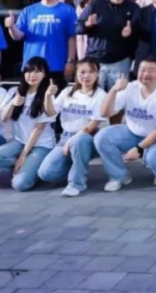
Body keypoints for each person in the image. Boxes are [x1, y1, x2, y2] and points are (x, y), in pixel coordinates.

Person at [95, 58, 156, 190]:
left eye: (151, 70)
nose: (146, 74)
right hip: (133, 132)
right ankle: (119, 176)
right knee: (102, 137)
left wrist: (139, 149)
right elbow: (105, 113)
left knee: (155, 159)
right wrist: (114, 90)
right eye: (142, 70)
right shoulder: (130, 87)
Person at [0, 57, 58, 192]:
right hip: (20, 142)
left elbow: (38, 128)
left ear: (44, 74)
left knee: (20, 185)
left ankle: (33, 169)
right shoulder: (14, 91)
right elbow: (4, 118)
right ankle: (26, 166)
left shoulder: (47, 95)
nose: (32, 75)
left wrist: (23, 155)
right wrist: (12, 103)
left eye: (37, 71)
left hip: (41, 145)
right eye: (29, 71)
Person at [37, 59, 107, 197]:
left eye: (91, 72)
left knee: (79, 142)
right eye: (82, 72)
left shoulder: (101, 95)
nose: (86, 76)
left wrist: (71, 141)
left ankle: (76, 183)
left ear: (97, 74)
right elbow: (51, 113)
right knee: (46, 174)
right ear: (76, 73)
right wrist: (48, 96)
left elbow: (91, 126)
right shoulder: (68, 92)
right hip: (66, 136)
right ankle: (75, 163)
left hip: (88, 138)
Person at [7, 0, 78, 85]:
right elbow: (18, 36)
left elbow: (72, 37)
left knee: (55, 95)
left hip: (57, 65)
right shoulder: (28, 11)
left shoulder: (68, 10)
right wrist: (11, 26)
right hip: (32, 66)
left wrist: (70, 62)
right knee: (31, 96)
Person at [78, 0, 140, 91]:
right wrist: (87, 25)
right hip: (95, 61)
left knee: (119, 98)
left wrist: (131, 33)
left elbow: (139, 35)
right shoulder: (96, 3)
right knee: (92, 96)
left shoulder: (134, 8)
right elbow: (78, 27)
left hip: (121, 61)